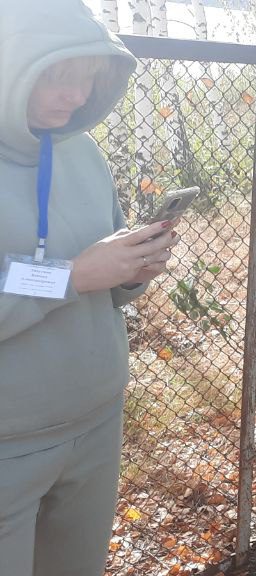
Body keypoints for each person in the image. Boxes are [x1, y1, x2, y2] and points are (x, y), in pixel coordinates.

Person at [0, 1, 181, 574]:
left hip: (95, 424)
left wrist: (130, 269)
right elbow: (78, 274)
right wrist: (75, 275)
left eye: (87, 79)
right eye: (57, 75)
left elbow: (99, 280)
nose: (75, 96)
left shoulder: (83, 152)